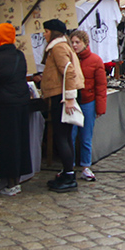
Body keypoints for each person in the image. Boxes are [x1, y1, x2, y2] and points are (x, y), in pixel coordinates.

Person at [0, 23, 32, 197]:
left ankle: (11, 183)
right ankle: (16, 180)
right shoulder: (19, 55)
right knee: (20, 142)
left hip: (5, 105)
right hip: (21, 102)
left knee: (8, 144)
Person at [41, 18, 84, 193]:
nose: (44, 34)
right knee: (64, 136)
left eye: (46, 31)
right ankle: (67, 172)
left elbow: (68, 71)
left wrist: (69, 98)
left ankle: (68, 174)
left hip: (62, 97)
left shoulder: (58, 47)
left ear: (52, 32)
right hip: (62, 95)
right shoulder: (62, 46)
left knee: (62, 136)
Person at [70, 29, 107, 181]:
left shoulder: (95, 60)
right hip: (72, 102)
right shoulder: (69, 59)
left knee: (86, 137)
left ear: (85, 43)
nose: (74, 45)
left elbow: (101, 85)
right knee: (70, 137)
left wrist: (100, 108)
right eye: (72, 42)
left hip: (87, 101)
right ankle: (69, 166)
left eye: (77, 42)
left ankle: (85, 166)